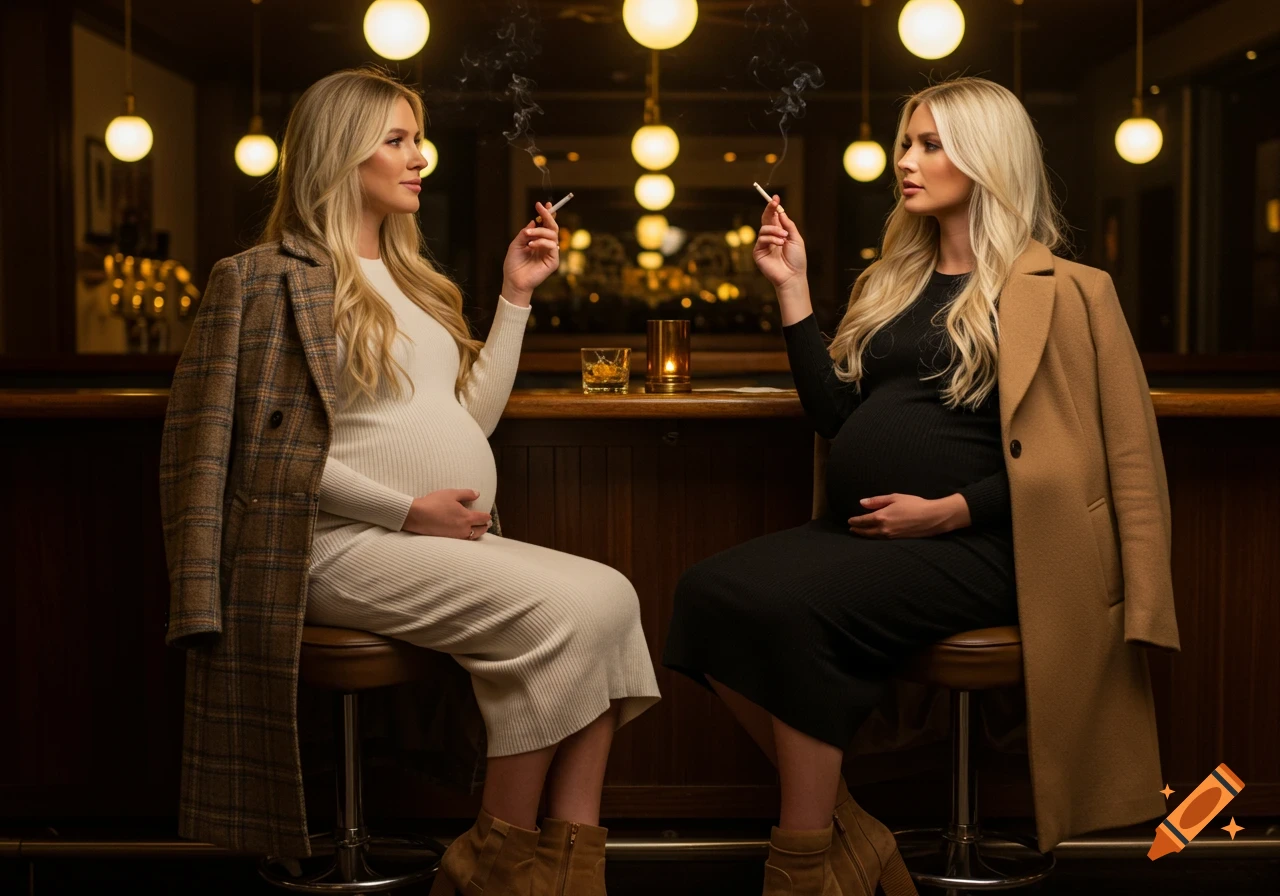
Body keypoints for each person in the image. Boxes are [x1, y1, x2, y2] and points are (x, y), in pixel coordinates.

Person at [663, 77, 1180, 896]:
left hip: (995, 548)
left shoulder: (1073, 291)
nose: (907, 160)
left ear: (985, 159)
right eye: (907, 142)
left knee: (796, 613)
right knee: (705, 594)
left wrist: (954, 509)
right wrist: (792, 292)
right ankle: (853, 830)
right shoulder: (890, 280)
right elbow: (837, 416)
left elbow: (1101, 457)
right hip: (872, 536)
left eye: (930, 144)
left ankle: (801, 859)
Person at [159, 68, 659, 895]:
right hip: (326, 548)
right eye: (396, 139)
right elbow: (256, 453)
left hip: (424, 541)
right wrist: (404, 510)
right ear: (340, 152)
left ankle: (569, 867)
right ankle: (494, 863)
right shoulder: (261, 278)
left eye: (415, 137)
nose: (418, 155)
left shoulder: (419, 281)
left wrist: (514, 298)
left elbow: (472, 416)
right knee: (569, 612)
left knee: (614, 597)